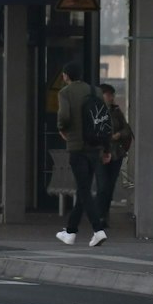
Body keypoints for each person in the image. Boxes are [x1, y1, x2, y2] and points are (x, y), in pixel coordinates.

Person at [54, 60, 107, 247]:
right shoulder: (96, 91)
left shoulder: (65, 93)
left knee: (84, 190)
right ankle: (70, 232)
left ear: (66, 76)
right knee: (83, 189)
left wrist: (62, 129)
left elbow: (64, 116)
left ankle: (98, 230)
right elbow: (104, 119)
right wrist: (106, 148)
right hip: (95, 146)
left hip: (77, 146)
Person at [95, 83, 134, 223]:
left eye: (112, 95)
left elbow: (127, 130)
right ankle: (99, 215)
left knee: (110, 186)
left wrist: (118, 135)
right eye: (109, 95)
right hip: (100, 154)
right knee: (103, 186)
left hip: (116, 153)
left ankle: (103, 215)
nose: (112, 98)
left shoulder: (116, 111)